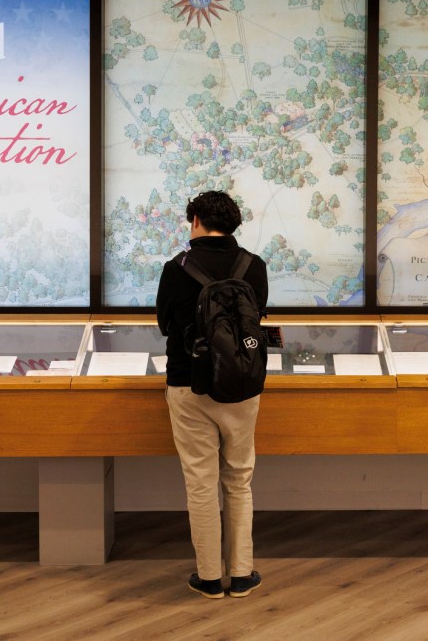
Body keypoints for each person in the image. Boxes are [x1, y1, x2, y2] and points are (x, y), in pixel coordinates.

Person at [156, 191, 269, 599]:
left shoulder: (176, 268)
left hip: (188, 384)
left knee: (201, 483)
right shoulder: (253, 267)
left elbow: (165, 325)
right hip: (241, 387)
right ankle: (241, 575)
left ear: (197, 221)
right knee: (239, 479)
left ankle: (208, 577)